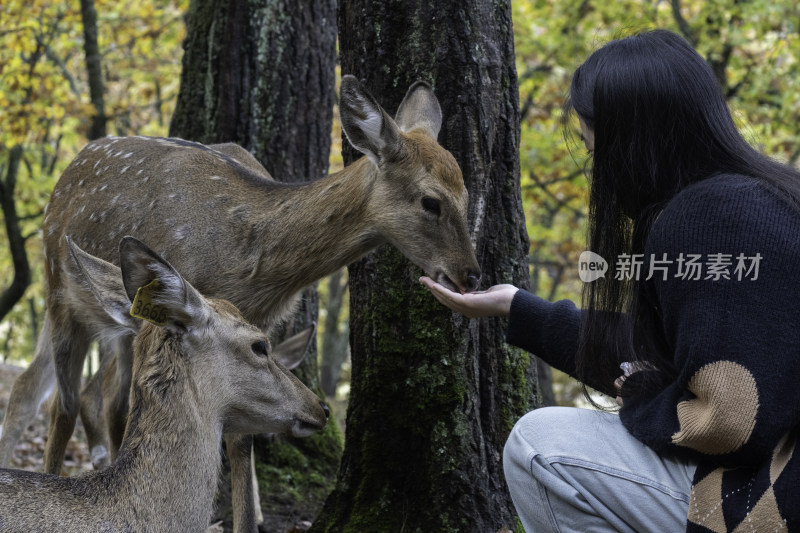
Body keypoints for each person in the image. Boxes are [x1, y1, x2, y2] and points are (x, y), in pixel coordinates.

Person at [420, 29, 800, 532]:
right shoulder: (761, 197)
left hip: (771, 498)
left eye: (591, 142)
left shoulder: (709, 216)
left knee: (541, 446)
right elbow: (661, 351)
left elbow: (731, 419)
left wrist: (642, 396)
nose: (593, 162)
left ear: (632, 139)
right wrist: (518, 308)